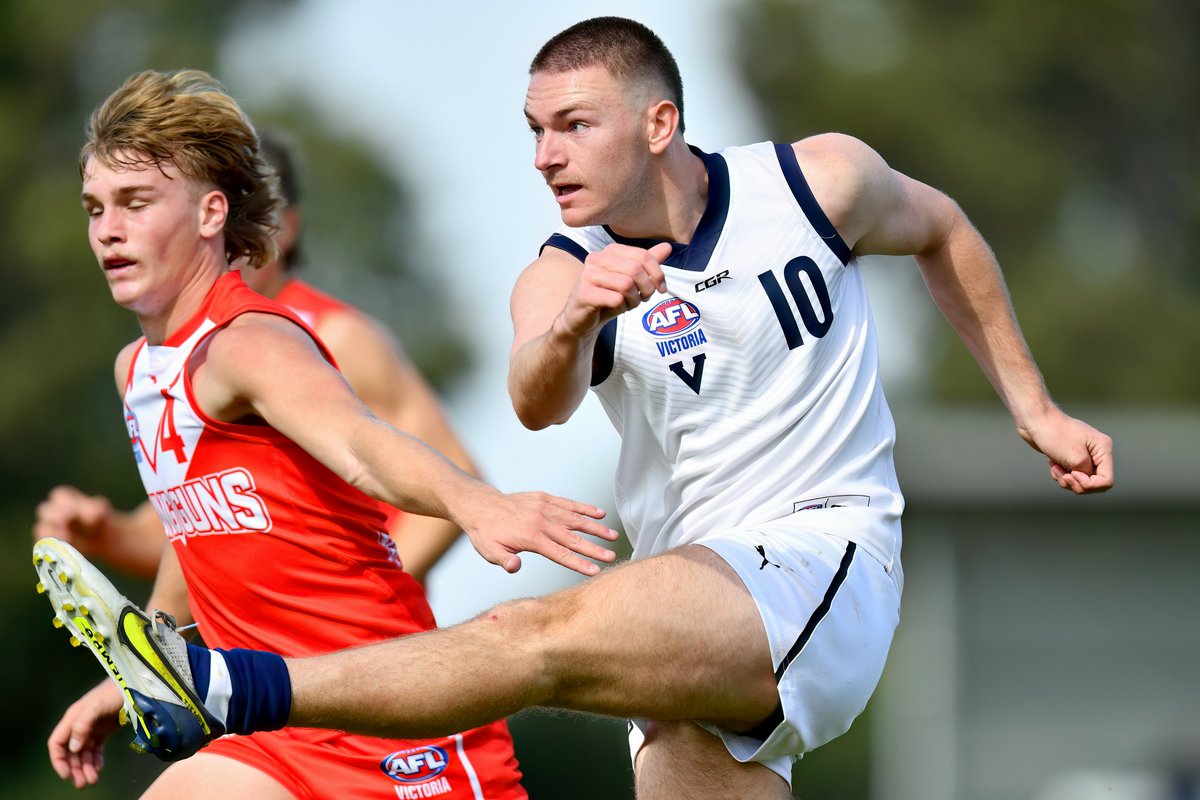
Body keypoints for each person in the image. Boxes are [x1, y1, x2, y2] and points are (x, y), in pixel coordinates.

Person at [34, 18, 1115, 800]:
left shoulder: (815, 183)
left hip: (818, 557)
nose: (545, 153)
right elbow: (533, 400)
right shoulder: (558, 273)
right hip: (687, 612)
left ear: (659, 122)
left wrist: (1035, 406)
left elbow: (944, 230)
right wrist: (574, 321)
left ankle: (232, 688)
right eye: (532, 128)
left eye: (573, 125)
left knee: (534, 632)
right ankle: (213, 686)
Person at [35, 67, 619, 798]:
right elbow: (194, 537)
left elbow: (363, 447)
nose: (108, 229)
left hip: (393, 720)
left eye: (135, 202)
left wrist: (477, 504)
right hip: (269, 734)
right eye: (95, 208)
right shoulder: (139, 371)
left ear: (212, 213)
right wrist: (137, 673)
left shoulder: (247, 342)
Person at [33, 131, 472, 586]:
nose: (231, 233)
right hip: (268, 654)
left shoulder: (336, 335)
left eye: (250, 214)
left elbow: (457, 484)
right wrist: (109, 535)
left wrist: (353, 600)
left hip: (360, 641)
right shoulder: (181, 355)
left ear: (289, 224)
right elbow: (197, 529)